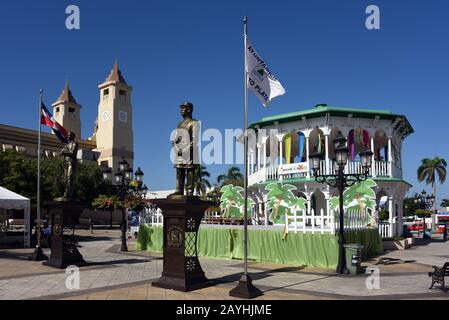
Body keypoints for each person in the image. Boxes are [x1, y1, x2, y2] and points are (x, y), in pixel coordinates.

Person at [169, 102, 200, 197]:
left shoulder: (194, 123)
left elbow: (194, 140)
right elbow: (176, 138)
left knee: (189, 171)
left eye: (183, 108)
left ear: (189, 109)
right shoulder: (179, 124)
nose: (181, 111)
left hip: (190, 151)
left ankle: (189, 190)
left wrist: (185, 150)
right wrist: (174, 146)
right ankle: (179, 189)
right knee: (179, 170)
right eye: (181, 109)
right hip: (179, 151)